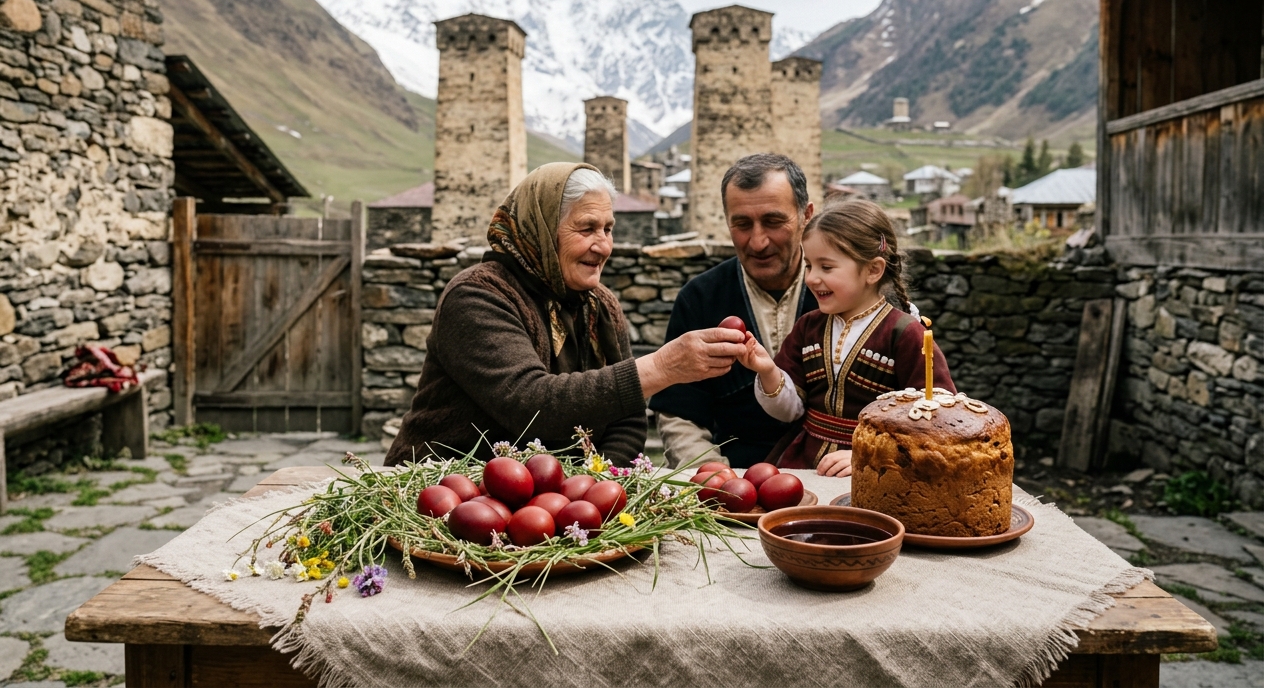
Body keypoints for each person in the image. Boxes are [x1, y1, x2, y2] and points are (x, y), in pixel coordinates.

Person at [384, 162, 747, 467]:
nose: (603, 245)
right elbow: (532, 406)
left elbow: (628, 419)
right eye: (586, 228)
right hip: (442, 496)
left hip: (549, 507)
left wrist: (596, 485)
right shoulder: (477, 296)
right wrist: (662, 367)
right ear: (540, 228)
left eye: (607, 229)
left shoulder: (600, 304)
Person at [736, 199, 954, 476]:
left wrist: (870, 454)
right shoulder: (808, 327)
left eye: (826, 267)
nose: (812, 278)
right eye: (809, 265)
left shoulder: (907, 335)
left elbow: (938, 420)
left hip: (877, 473)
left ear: (873, 270)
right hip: (803, 465)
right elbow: (788, 412)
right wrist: (767, 370)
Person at [649, 154, 818, 469]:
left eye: (773, 221)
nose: (757, 241)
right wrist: (711, 473)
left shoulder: (849, 293)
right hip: (736, 483)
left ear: (805, 215)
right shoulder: (700, 298)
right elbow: (680, 414)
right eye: (742, 224)